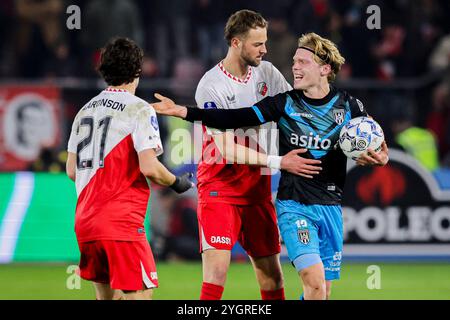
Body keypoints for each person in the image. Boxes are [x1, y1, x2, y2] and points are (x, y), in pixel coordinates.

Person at [152, 32, 389, 300]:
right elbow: (234, 117)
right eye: (294, 61)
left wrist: (382, 155)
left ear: (325, 68)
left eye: (303, 62)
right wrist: (186, 111)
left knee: (321, 293)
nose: (295, 67)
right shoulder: (284, 103)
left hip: (331, 206)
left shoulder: (348, 105)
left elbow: (373, 133)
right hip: (295, 205)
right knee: (314, 283)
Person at [157, 10, 318, 301]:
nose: (264, 50)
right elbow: (226, 148)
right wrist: (279, 162)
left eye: (265, 42)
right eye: (257, 44)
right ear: (235, 42)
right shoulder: (211, 85)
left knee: (271, 273)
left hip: (256, 189)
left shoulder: (267, 73)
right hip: (220, 189)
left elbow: (293, 113)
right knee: (217, 272)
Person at [65, 37, 194, 300]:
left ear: (103, 71)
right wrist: (178, 183)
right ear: (138, 72)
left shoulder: (84, 111)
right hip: (120, 222)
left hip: (86, 223)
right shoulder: (138, 109)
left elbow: (71, 170)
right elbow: (150, 167)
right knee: (140, 296)